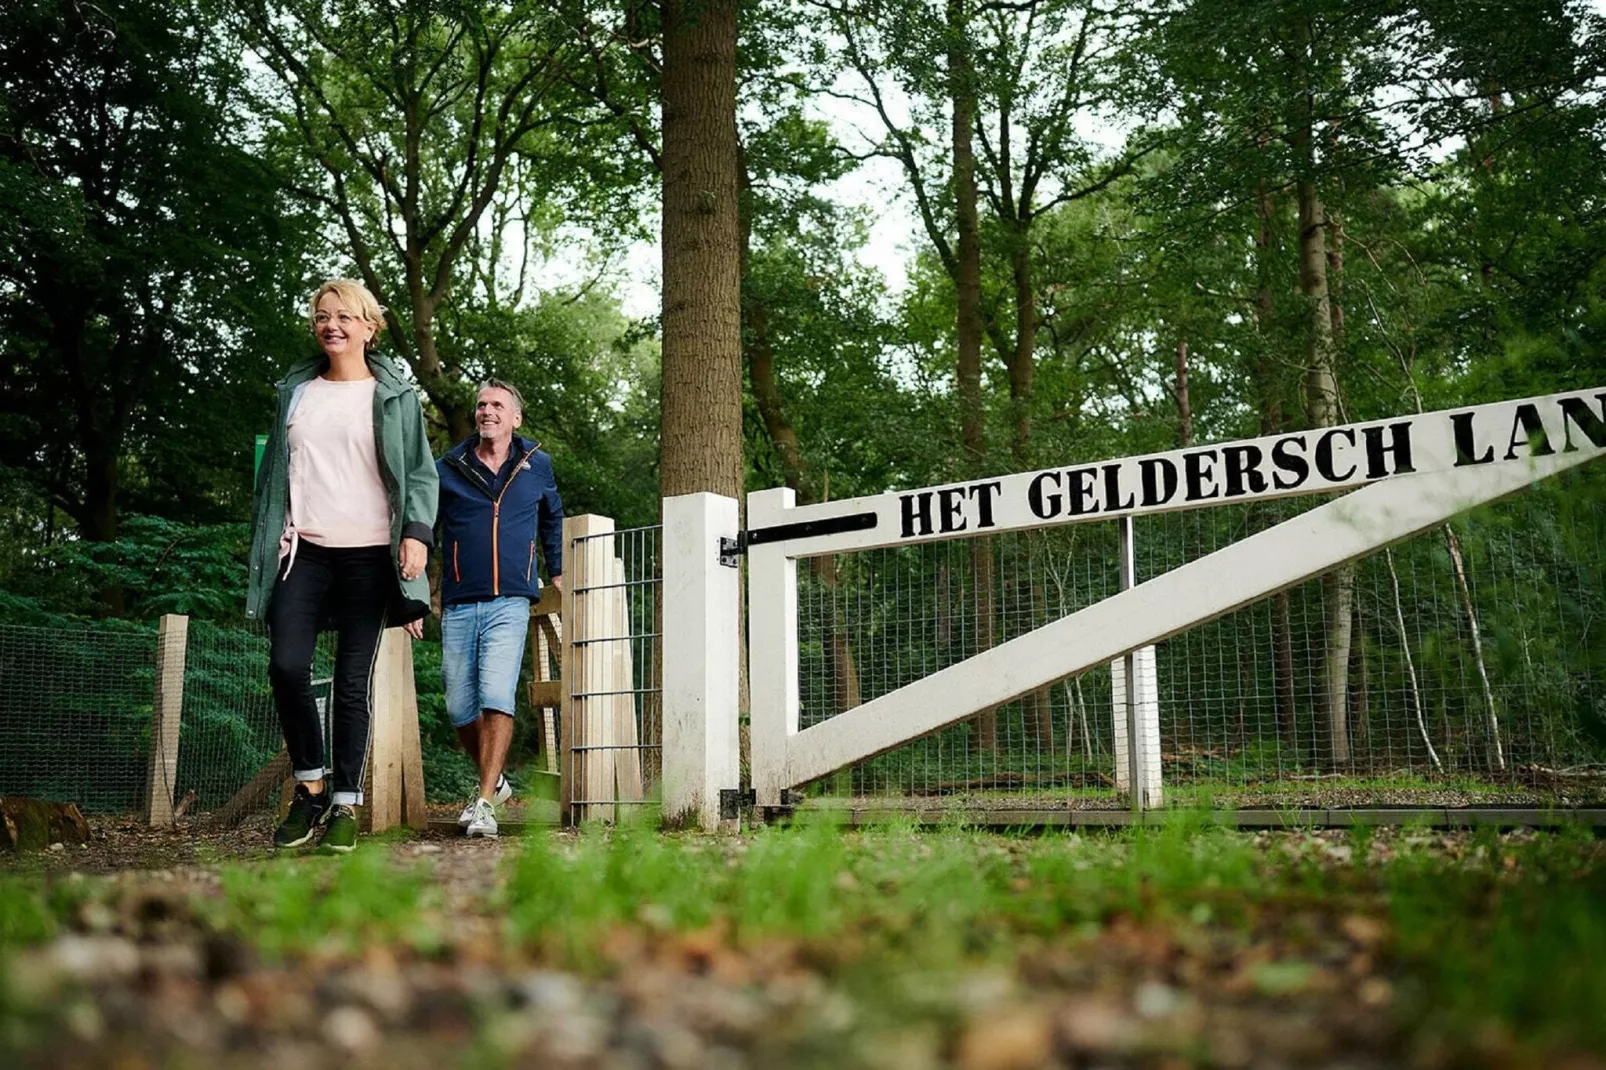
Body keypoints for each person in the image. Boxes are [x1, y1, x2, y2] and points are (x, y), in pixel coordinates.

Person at [245, 279, 438, 853]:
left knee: (353, 681)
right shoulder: (297, 391)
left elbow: (422, 475)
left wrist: (418, 537)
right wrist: (270, 531)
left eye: (345, 317)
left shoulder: (394, 396)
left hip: (370, 553)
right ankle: (310, 787)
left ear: (369, 326)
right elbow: (275, 470)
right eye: (323, 316)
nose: (332, 325)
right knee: (286, 665)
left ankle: (346, 804)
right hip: (303, 551)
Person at [435, 379, 564, 838]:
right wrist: (417, 587)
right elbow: (422, 525)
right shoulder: (449, 466)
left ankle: (485, 801)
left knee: (496, 694)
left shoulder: (536, 466)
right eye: (481, 405)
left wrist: (557, 569)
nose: (486, 411)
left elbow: (552, 515)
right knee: (457, 706)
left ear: (515, 418)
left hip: (511, 598)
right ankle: (498, 780)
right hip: (458, 598)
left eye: (497, 405)